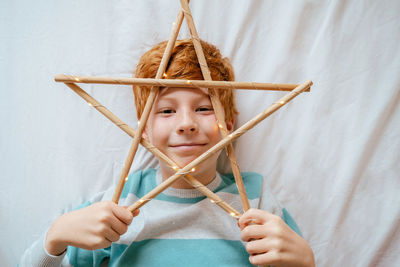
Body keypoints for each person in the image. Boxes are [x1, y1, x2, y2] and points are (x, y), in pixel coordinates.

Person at [21, 39, 315, 266]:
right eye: (166, 111)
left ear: (228, 125)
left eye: (203, 108)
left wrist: (305, 261)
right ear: (143, 131)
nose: (186, 124)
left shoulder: (255, 198)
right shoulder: (120, 201)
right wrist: (56, 236)